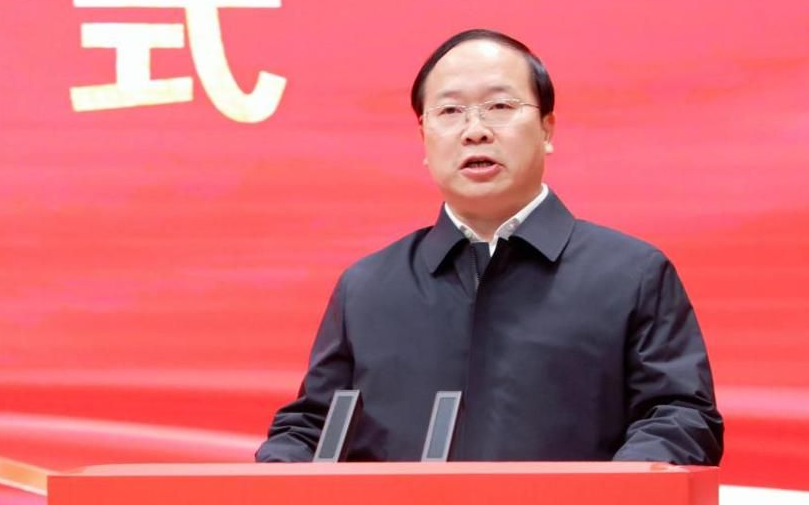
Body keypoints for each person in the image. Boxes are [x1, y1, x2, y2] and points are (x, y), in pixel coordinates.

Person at [256, 29, 722, 464]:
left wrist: (608, 497)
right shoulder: (368, 288)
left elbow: (679, 416)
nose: (474, 130)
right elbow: (314, 427)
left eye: (499, 106)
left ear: (547, 128)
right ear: (423, 138)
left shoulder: (630, 274)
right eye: (450, 111)